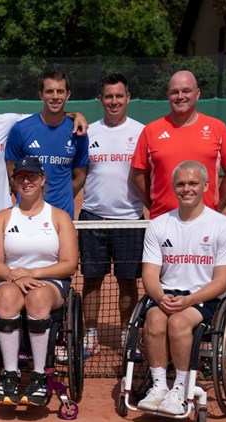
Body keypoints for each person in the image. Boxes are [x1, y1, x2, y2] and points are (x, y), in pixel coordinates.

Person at [0, 79, 89, 359]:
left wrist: (75, 114)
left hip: (1, 214)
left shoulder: (10, 122)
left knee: (11, 271)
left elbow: (51, 110)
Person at [136, 160, 226, 415]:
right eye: (181, 184)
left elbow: (222, 281)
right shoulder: (159, 225)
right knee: (154, 319)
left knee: (179, 323)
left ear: (206, 185)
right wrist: (160, 297)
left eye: (193, 183)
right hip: (167, 293)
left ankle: (181, 390)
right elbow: (149, 274)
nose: (187, 189)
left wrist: (190, 300)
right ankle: (159, 386)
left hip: (206, 296)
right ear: (173, 187)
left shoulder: (223, 226)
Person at [0, 156, 78, 406]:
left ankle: (39, 374)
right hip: (10, 280)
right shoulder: (2, 217)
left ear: (42, 179)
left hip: (49, 282)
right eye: (20, 177)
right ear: (14, 181)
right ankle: (10, 374)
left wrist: (32, 274)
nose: (26, 181)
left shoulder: (59, 217)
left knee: (37, 297)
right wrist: (12, 276)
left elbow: (69, 263)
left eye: (32, 176)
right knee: (5, 296)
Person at [78, 74, 145, 358]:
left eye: (119, 96)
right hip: (92, 217)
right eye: (108, 96)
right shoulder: (87, 131)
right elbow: (78, 174)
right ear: (101, 99)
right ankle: (90, 335)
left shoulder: (143, 132)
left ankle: (127, 335)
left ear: (128, 98)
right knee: (92, 280)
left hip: (130, 219)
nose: (114, 101)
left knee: (128, 281)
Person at [130, 70, 226, 219]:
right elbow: (137, 174)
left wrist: (216, 209)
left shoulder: (218, 128)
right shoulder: (151, 130)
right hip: (162, 222)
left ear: (197, 94)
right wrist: (156, 207)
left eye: (186, 91)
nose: (180, 96)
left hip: (206, 223)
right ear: (168, 95)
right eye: (175, 92)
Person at [4, 68, 89, 220]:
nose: (55, 97)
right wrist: (29, 200)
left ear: (67, 95)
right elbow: (12, 174)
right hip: (27, 215)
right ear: (41, 94)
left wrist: (62, 197)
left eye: (60, 91)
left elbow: (80, 176)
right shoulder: (21, 129)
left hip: (62, 217)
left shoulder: (78, 132)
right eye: (49, 91)